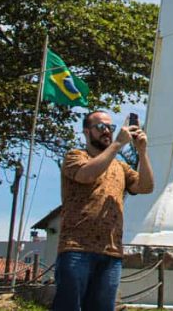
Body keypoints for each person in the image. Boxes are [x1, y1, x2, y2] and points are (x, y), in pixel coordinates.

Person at [53, 110, 154, 311]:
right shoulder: (75, 156)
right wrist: (117, 144)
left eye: (110, 127)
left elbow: (146, 187)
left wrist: (142, 152)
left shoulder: (121, 167)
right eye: (101, 127)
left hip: (111, 252)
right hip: (76, 249)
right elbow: (86, 175)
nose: (107, 131)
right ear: (86, 132)